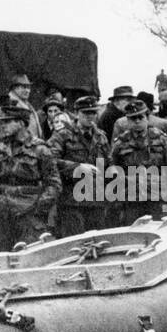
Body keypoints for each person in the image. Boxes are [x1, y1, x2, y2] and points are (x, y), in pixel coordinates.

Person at [0, 104, 60, 253]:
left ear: (22, 123)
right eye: (1, 122)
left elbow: (54, 184)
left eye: (7, 122)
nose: (2, 125)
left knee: (30, 260)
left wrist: (37, 209)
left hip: (28, 215)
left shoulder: (40, 150)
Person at [108, 100, 167, 226]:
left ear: (147, 118)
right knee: (134, 233)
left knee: (160, 230)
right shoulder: (120, 142)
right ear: (127, 121)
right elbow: (111, 164)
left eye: (140, 117)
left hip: (158, 196)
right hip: (132, 198)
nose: (137, 121)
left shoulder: (161, 138)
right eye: (133, 118)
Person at [50, 96, 111, 235]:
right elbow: (50, 161)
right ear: (77, 113)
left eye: (93, 113)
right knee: (74, 244)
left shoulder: (101, 136)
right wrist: (77, 167)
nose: (90, 117)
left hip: (96, 200)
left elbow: (109, 163)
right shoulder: (62, 135)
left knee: (98, 243)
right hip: (72, 201)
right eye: (86, 113)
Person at [5, 74, 42, 140]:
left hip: (32, 144)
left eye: (28, 87)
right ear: (15, 88)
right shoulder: (10, 104)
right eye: (24, 87)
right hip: (21, 145)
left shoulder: (26, 104)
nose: (27, 91)